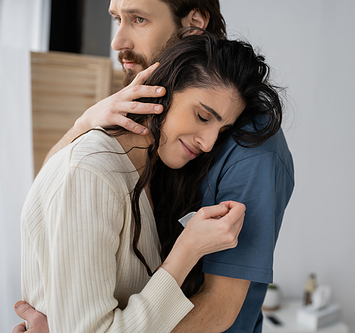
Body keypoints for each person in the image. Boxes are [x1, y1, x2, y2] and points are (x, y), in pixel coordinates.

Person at [15, 0, 295, 332]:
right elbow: (57, 193)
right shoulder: (117, 145)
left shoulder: (248, 142)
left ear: (194, 24)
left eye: (139, 19)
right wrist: (83, 125)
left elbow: (219, 307)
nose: (118, 41)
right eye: (117, 19)